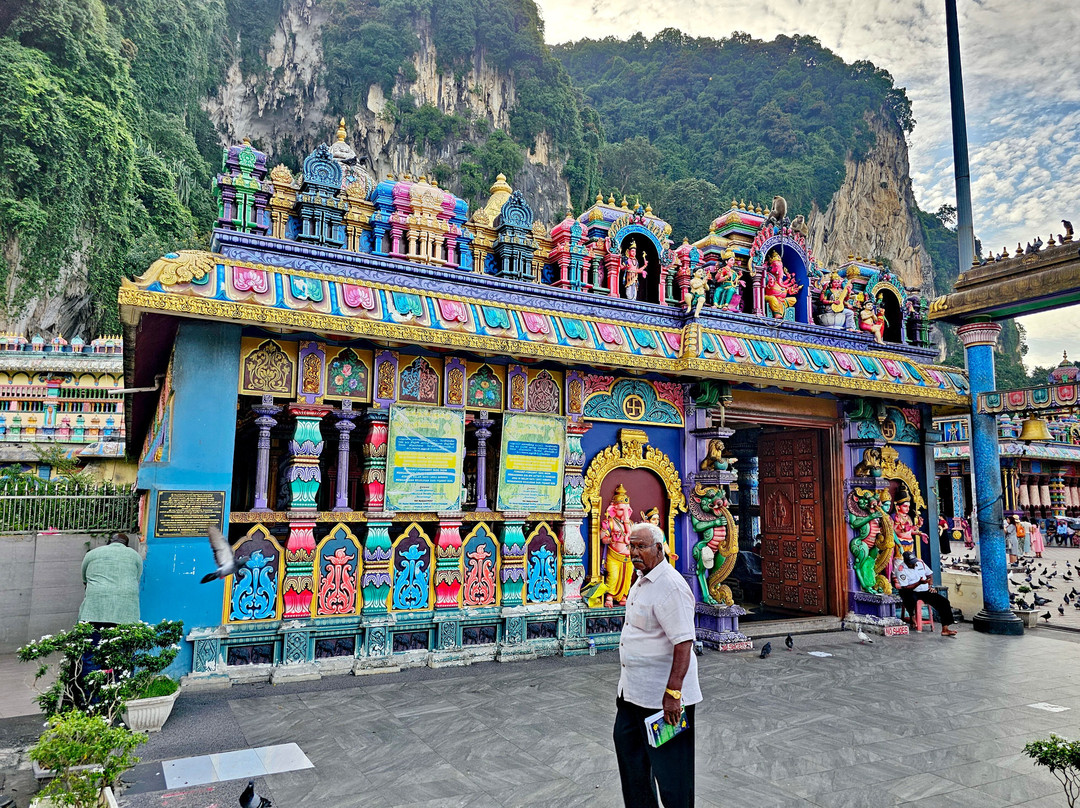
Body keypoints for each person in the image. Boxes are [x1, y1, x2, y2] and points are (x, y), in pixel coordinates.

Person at [613, 522, 701, 808]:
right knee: (632, 765)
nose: (633, 552)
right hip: (632, 695)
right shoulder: (641, 580)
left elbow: (683, 642)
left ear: (659, 549)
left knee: (672, 773)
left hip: (664, 702)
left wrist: (674, 693)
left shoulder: (671, 586)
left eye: (641, 546)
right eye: (631, 546)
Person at [79, 533, 142, 628]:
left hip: (96, 600)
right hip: (126, 601)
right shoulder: (135, 555)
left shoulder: (92, 553)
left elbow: (84, 578)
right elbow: (137, 577)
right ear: (126, 545)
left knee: (93, 633)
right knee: (123, 633)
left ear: (109, 542)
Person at [893, 551, 957, 637]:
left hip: (924, 590)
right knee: (908, 596)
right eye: (911, 563)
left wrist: (930, 585)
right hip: (911, 590)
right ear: (906, 562)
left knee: (944, 602)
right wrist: (919, 583)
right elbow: (906, 587)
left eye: (914, 562)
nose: (913, 564)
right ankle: (912, 616)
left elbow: (929, 574)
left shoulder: (920, 563)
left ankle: (945, 628)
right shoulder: (901, 569)